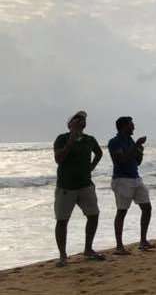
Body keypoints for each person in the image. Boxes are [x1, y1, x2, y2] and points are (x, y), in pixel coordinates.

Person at [53, 111, 106, 266]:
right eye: (77, 119)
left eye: (83, 119)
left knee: (93, 215)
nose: (81, 120)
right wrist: (70, 141)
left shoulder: (90, 139)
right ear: (70, 124)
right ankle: (63, 256)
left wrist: (91, 168)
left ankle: (88, 249)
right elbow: (58, 159)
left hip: (86, 185)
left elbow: (99, 153)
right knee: (62, 221)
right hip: (66, 186)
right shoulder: (62, 138)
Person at [108, 116, 154, 255]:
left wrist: (139, 149)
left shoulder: (130, 141)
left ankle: (143, 241)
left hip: (135, 177)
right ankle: (119, 246)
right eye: (131, 125)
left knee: (147, 207)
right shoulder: (114, 142)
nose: (133, 127)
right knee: (122, 211)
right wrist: (136, 145)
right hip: (121, 179)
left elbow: (138, 161)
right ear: (123, 127)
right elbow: (121, 160)